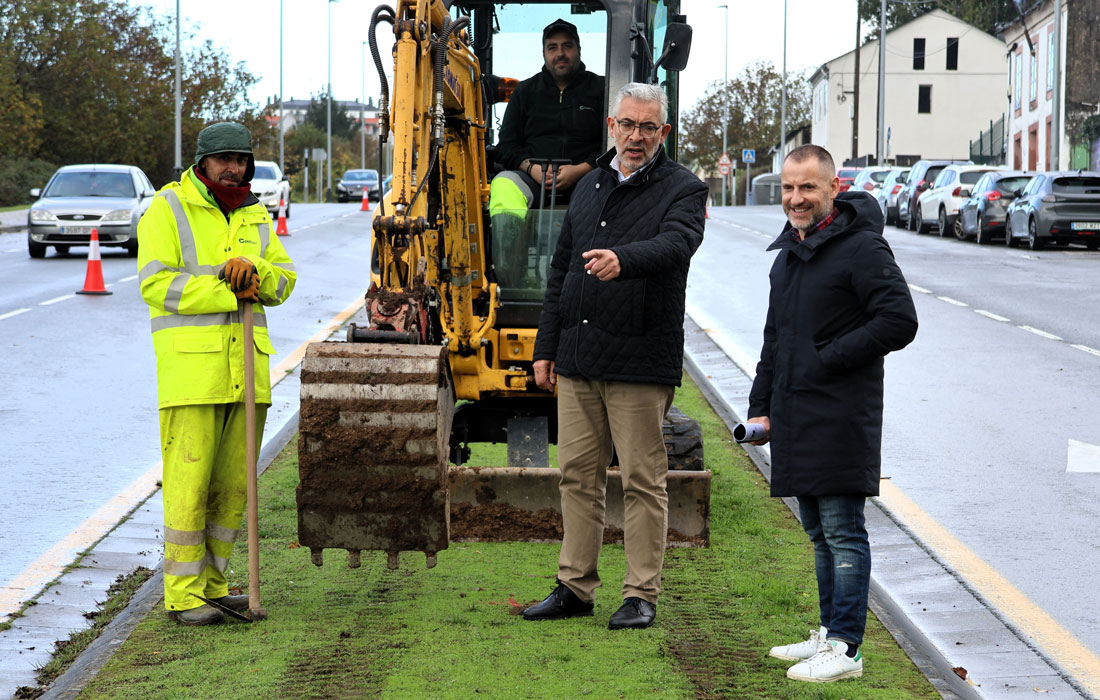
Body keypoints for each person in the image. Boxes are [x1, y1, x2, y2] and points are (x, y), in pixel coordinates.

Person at [523, 82, 707, 630]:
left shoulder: (685, 189)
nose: (636, 136)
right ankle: (574, 586)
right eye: (627, 125)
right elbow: (560, 271)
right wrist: (545, 348)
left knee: (642, 480)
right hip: (578, 357)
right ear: (612, 126)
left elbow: (677, 245)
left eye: (648, 127)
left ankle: (640, 593)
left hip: (639, 358)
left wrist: (622, 260)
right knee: (576, 476)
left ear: (664, 133)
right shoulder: (590, 186)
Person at [746, 144, 917, 681]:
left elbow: (899, 321)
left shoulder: (862, 248)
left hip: (842, 413)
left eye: (808, 188)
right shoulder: (789, 255)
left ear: (833, 189)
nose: (796, 198)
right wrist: (760, 407)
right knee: (819, 531)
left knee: (844, 531)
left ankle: (847, 649)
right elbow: (775, 340)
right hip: (797, 413)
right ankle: (829, 632)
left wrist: (829, 358)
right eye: (789, 189)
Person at [137, 122, 296, 625]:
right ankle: (183, 594)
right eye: (225, 159)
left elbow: (284, 278)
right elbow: (157, 285)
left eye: (242, 159)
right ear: (202, 163)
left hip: (247, 368)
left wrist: (258, 273)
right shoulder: (167, 207)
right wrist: (230, 290)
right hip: (192, 373)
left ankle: (214, 583)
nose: (235, 167)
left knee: (232, 485)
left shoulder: (254, 211)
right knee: (190, 482)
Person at [489, 18, 605, 286]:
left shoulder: (601, 89)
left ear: (578, 50)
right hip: (534, 177)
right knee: (504, 186)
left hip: (586, 177)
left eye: (567, 46)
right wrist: (531, 169)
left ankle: (587, 284)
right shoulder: (525, 92)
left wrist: (582, 169)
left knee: (606, 192)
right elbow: (506, 147)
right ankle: (510, 281)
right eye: (552, 47)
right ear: (544, 53)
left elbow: (613, 145)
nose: (560, 53)